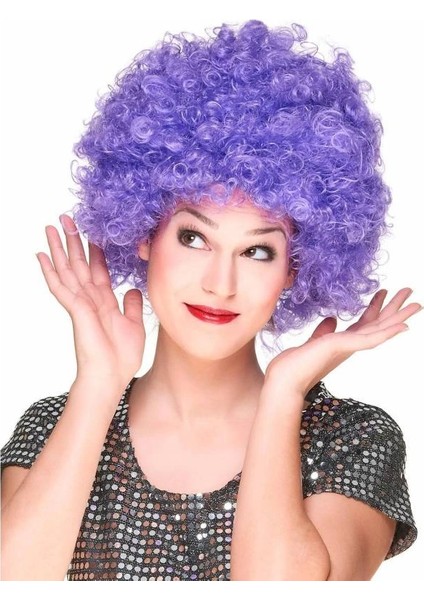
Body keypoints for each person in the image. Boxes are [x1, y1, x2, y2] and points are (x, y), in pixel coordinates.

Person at [0, 19, 421, 581]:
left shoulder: (349, 442)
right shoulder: (55, 425)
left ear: (295, 268)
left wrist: (283, 394)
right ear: (146, 233)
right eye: (194, 238)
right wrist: (98, 384)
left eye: (258, 251)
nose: (221, 284)